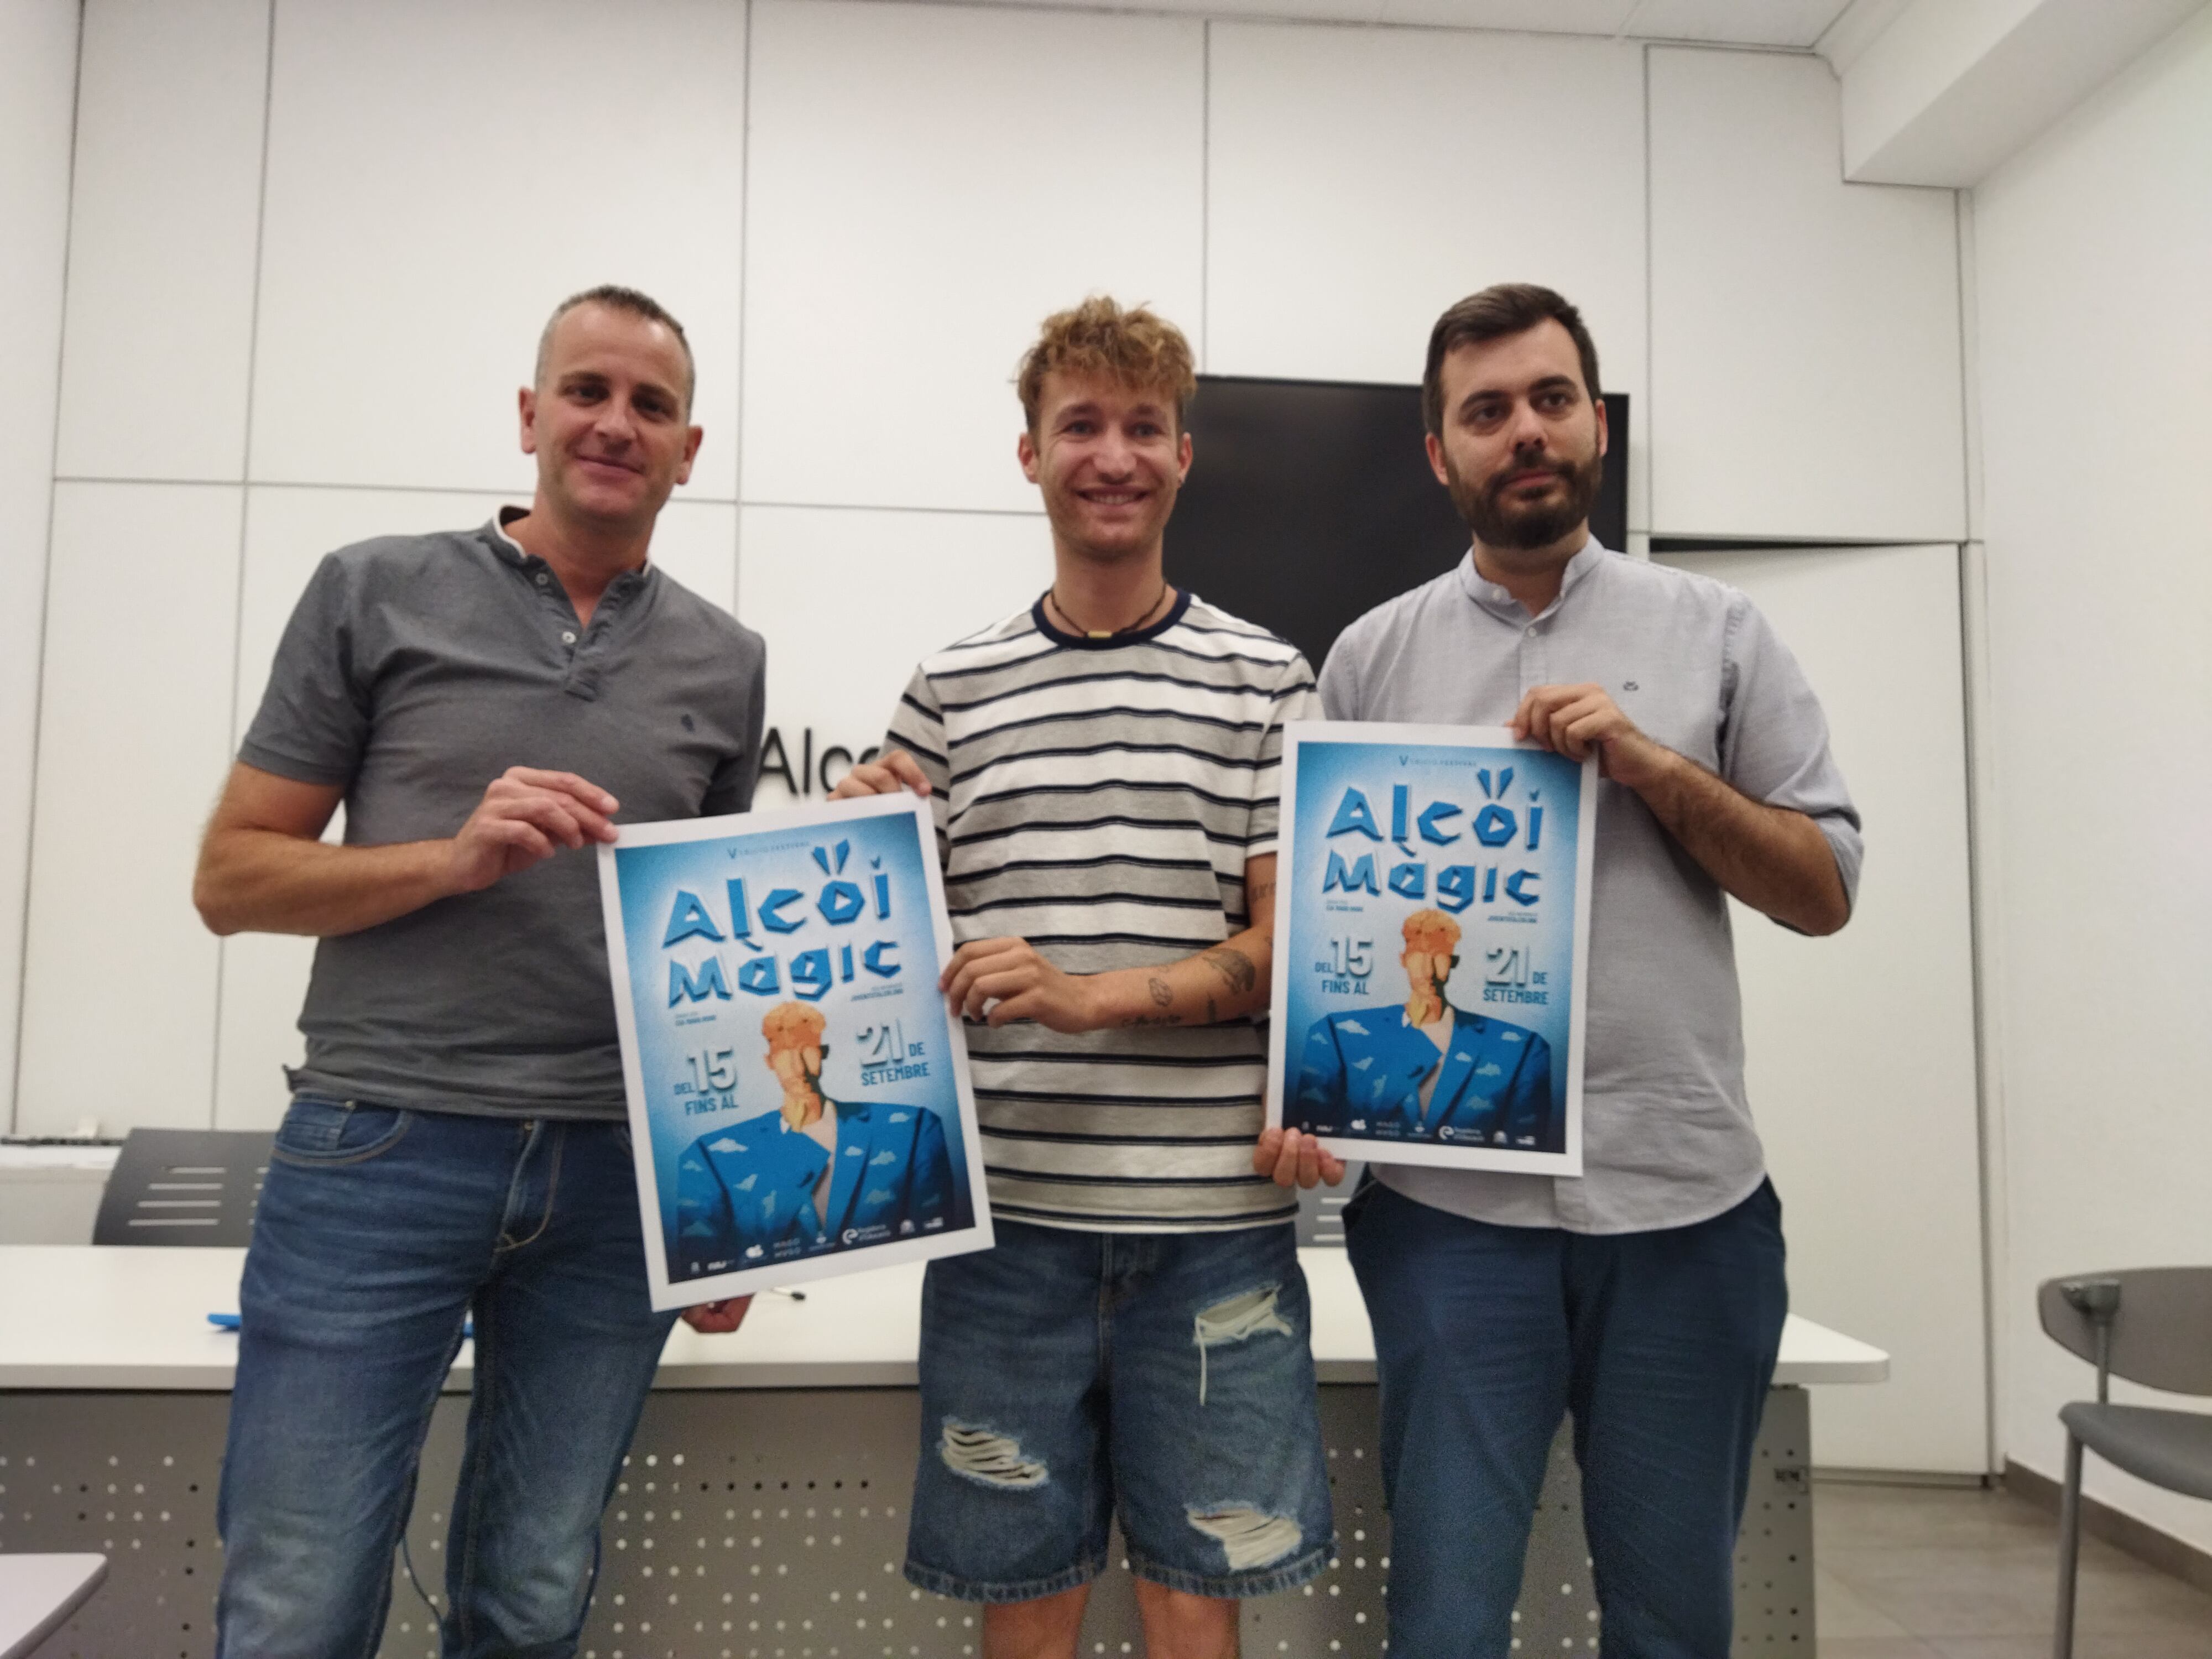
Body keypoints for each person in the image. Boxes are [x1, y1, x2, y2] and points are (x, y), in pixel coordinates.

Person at [1256, 282, 1861, 1658]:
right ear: (1440, 453)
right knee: (1448, 1618)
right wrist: (1304, 1083)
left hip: (1682, 1209)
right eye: (1485, 412)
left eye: (1548, 400)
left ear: (1592, 422)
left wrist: (1651, 767)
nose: (1522, 431)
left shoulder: (1718, 634)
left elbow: (1821, 890)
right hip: (1450, 1219)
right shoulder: (1370, 656)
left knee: (1671, 1621)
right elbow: (1323, 927)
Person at [192, 285, 766, 1658]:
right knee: (296, 1594)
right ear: (529, 414)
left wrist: (735, 1193)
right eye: (586, 391)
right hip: (381, 1147)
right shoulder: (373, 588)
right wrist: (445, 860)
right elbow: (231, 877)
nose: (614, 423)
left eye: (650, 404)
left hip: (615, 1180)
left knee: (533, 1593)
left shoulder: (727, 662)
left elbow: (719, 963)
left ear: (692, 449)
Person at [833, 297, 1333, 1658]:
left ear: (1184, 456)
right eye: (1079, 425)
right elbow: (881, 955)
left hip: (1210, 1231)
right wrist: (858, 835)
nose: (1110, 454)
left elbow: (1291, 950)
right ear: (1028, 454)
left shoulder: (1264, 681)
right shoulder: (950, 685)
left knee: (1192, 1593)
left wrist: (1089, 991)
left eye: (1140, 428)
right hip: (1005, 1234)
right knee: (1025, 1590)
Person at [673, 1000, 956, 1272]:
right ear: (769, 1061)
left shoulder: (912, 1128)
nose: (799, 1068)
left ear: (824, 1052)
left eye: (807, 1049)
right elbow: (706, 1267)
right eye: (785, 1053)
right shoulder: (709, 1157)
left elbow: (940, 1239)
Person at [1291, 907, 1553, 1148]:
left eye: (1439, 956)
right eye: (1418, 955)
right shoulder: (1336, 1034)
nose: (1427, 970)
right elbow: (1311, 1132)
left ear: (1453, 962)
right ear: (1403, 959)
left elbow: (1527, 1144)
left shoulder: (1522, 1048)